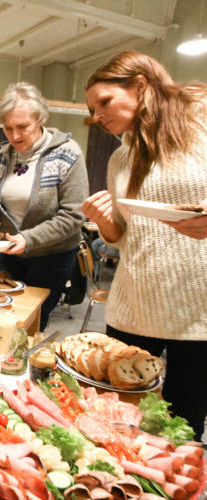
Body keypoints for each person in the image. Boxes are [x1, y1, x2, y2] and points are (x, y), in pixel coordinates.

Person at [82, 50, 207, 440]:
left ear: (139, 86)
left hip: (196, 311)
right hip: (134, 306)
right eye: (92, 108)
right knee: (119, 418)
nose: (98, 116)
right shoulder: (121, 158)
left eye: (105, 102)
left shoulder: (200, 129)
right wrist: (106, 224)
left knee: (182, 426)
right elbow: (122, 234)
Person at [0, 82, 88, 331]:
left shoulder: (67, 154)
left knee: (31, 325)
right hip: (9, 253)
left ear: (41, 118)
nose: (14, 136)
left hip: (51, 256)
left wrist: (28, 238)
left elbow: (73, 216)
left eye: (22, 127)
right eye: (7, 128)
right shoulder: (2, 158)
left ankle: (21, 367)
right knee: (1, 319)